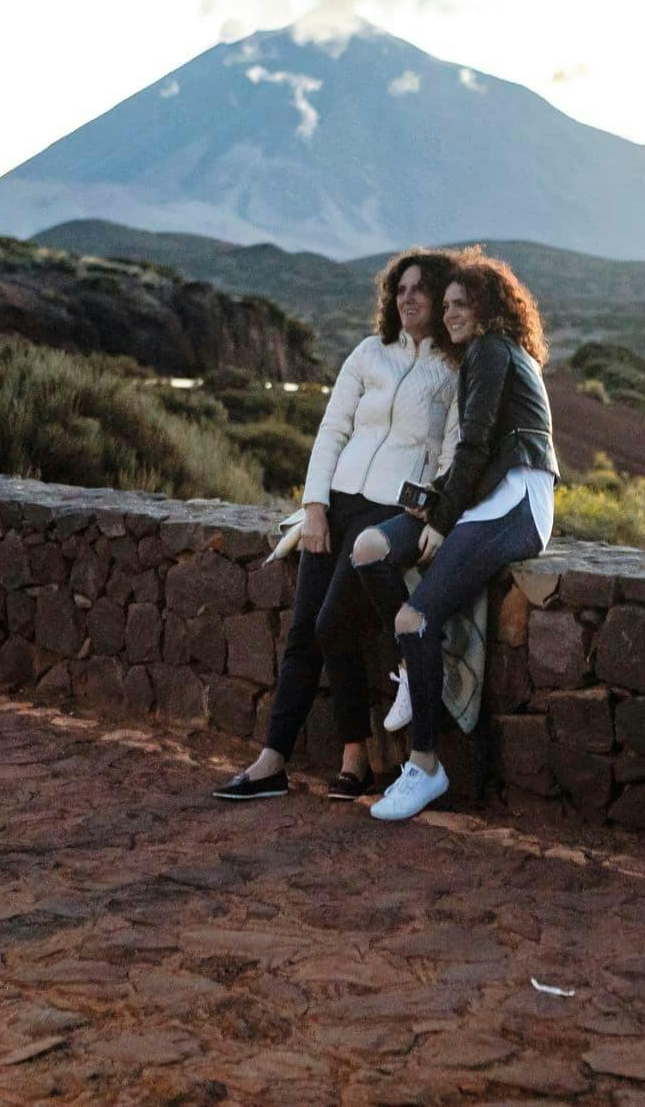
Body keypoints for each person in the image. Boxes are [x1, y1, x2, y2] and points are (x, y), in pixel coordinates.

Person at [213, 249, 462, 802]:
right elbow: (331, 432)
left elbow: (452, 452)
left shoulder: (453, 368)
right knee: (305, 633)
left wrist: (433, 509)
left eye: (421, 289)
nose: (409, 297)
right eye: (401, 288)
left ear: (441, 297)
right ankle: (272, 760)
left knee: (331, 626)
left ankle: (356, 754)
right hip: (338, 503)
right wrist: (315, 505)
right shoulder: (369, 354)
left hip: (391, 512)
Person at [353, 252, 558, 822]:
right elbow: (471, 457)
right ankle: (414, 669)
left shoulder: (493, 350)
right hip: (485, 497)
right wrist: (432, 506)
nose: (450, 315)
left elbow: (476, 445)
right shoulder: (488, 354)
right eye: (447, 307)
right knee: (371, 549)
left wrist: (440, 523)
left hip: (515, 503)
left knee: (415, 618)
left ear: (490, 308)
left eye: (461, 304)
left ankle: (424, 766)